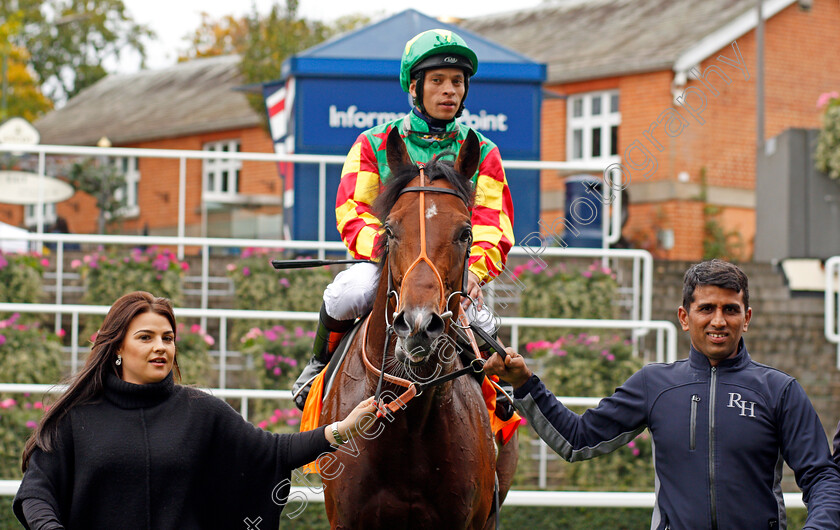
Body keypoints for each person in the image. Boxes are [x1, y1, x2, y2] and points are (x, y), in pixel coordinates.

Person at [485, 260, 840, 529]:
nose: (719, 321)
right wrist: (525, 383)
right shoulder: (654, 384)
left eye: (730, 310)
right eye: (707, 309)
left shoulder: (780, 390)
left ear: (746, 318)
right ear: (685, 318)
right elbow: (577, 440)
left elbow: (822, 475)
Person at [14, 291, 376, 529]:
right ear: (117, 348)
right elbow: (35, 493)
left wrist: (344, 428)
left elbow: (274, 452)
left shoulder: (202, 412)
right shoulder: (75, 418)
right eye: (146, 337)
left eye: (167, 338)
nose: (161, 347)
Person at [292, 28, 515, 411]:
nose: (450, 90)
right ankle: (318, 368)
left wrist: (475, 272)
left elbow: (493, 223)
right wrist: (393, 253)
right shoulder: (373, 142)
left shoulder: (484, 152)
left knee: (484, 322)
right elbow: (352, 211)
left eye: (457, 82)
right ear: (415, 87)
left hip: (452, 270)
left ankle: (498, 396)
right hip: (388, 265)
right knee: (348, 292)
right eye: (438, 81)